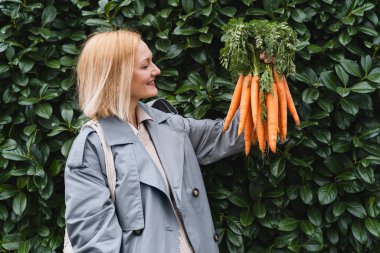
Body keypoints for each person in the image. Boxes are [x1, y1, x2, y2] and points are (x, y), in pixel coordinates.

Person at [64, 29, 244, 253]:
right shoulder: (93, 149)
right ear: (116, 77)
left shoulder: (170, 126)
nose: (156, 70)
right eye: (145, 65)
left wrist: (262, 74)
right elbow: (96, 245)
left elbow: (234, 134)